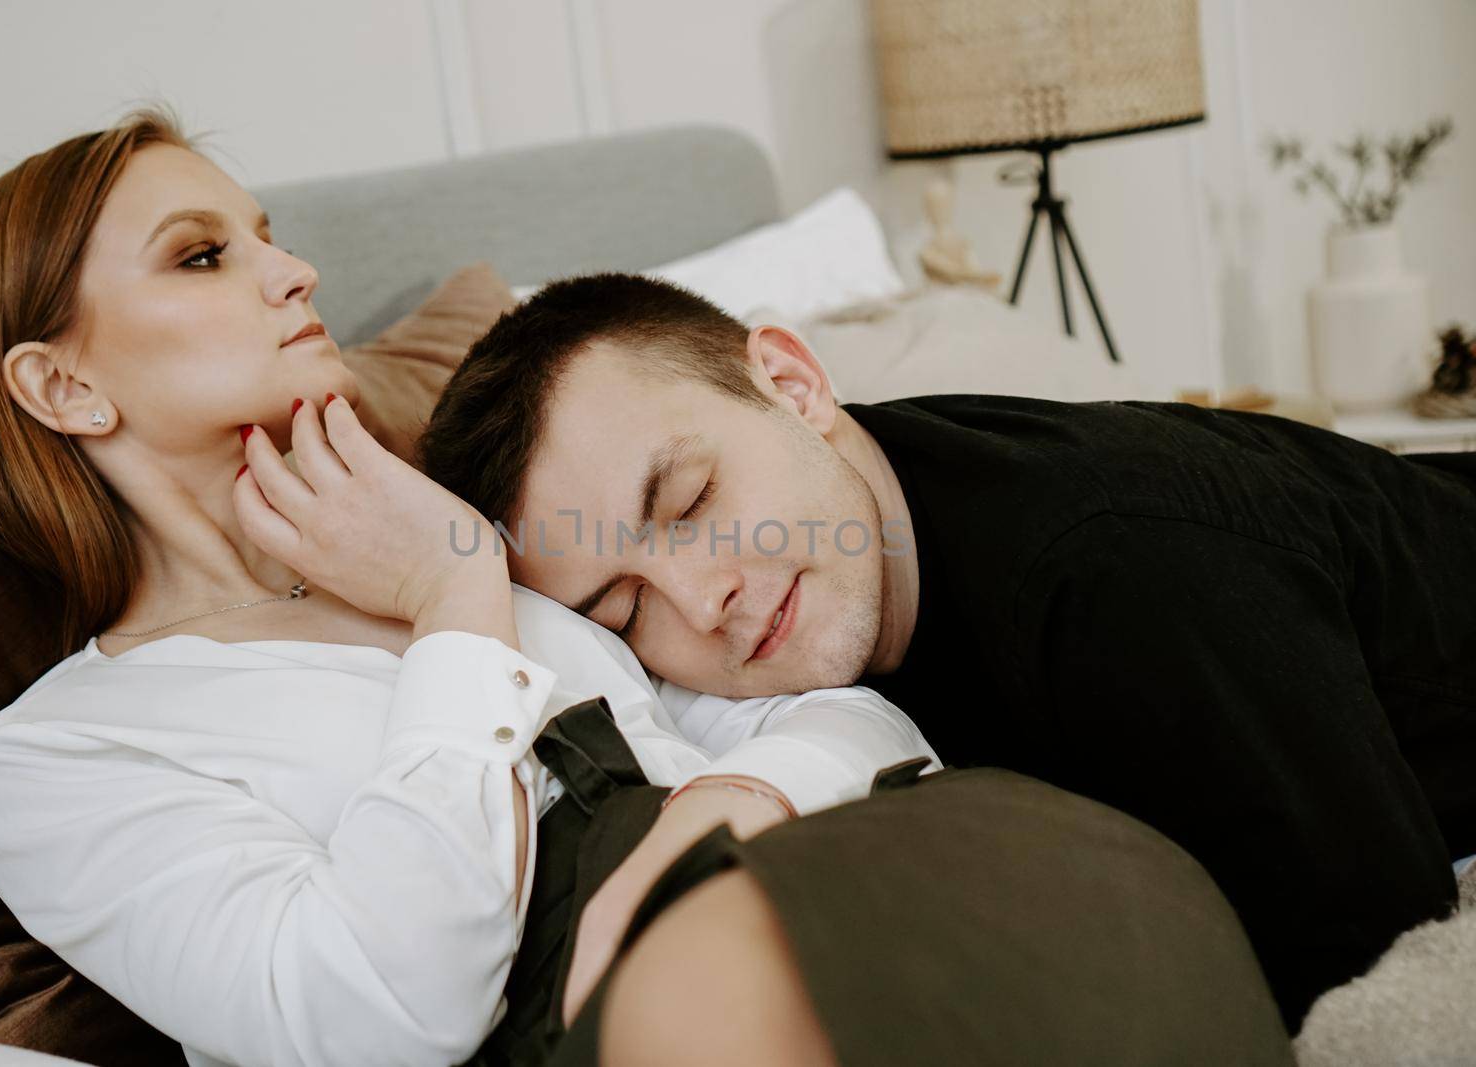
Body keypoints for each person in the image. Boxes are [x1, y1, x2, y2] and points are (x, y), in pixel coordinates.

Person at [0, 113, 1293, 1067]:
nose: (295, 271)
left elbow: (861, 724)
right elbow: (383, 1009)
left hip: (944, 859)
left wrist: (731, 804)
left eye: (266, 233)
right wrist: (451, 607)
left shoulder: (489, 577)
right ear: (60, 382)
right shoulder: (52, 759)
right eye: (205, 253)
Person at [420, 270, 1476, 1033]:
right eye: (621, 608)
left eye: (691, 500)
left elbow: (1380, 978)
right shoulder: (844, 547)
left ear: (793, 383)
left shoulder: (1117, 572)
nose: (703, 603)